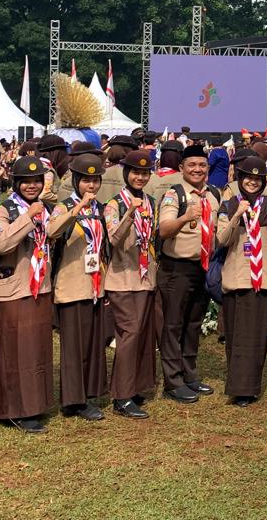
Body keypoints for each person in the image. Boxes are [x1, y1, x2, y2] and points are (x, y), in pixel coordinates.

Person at [0, 156, 54, 433]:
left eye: (36, 180)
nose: (32, 185)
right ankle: (11, 408)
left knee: (36, 350)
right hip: (12, 289)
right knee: (13, 352)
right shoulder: (5, 209)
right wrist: (28, 217)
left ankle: (36, 404)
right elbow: (0, 243)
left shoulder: (46, 207)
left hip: (40, 286)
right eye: (26, 181)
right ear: (16, 182)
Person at [216, 155, 267, 406]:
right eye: (248, 177)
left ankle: (250, 388)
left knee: (257, 335)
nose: (253, 182)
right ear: (240, 179)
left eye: (258, 179)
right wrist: (237, 215)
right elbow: (222, 239)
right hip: (237, 277)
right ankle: (237, 385)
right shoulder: (228, 204)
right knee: (236, 334)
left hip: (263, 278)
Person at [47, 155, 109, 421]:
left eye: (95, 180)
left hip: (95, 283)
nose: (91, 186)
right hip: (71, 284)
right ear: (75, 182)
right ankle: (73, 400)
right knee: (74, 345)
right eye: (86, 180)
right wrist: (76, 209)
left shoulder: (99, 208)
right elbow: (51, 231)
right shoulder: (63, 207)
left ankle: (90, 392)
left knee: (93, 343)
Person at [156, 143, 217, 403]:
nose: (197, 169)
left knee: (194, 324)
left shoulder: (214, 194)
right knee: (173, 325)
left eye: (202, 165)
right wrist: (185, 217)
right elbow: (164, 229)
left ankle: (190, 374)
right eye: (192, 165)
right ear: (181, 168)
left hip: (202, 267)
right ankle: (173, 381)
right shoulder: (175, 194)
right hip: (176, 269)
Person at [104, 149, 159, 419]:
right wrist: (129, 215)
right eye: (135, 172)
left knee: (144, 333)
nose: (140, 177)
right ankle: (121, 396)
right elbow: (113, 239)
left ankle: (137, 386)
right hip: (122, 278)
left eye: (145, 173)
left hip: (145, 276)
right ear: (126, 173)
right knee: (129, 334)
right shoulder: (114, 204)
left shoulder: (150, 201)